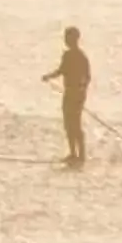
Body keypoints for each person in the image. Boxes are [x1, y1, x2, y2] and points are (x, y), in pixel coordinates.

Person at [41, 26, 92, 167]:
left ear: (74, 39)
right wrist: (48, 77)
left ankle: (80, 155)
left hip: (76, 95)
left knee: (75, 124)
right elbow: (61, 71)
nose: (65, 40)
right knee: (69, 124)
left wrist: (81, 90)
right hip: (70, 93)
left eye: (67, 38)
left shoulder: (81, 57)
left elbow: (87, 77)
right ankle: (73, 154)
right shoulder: (68, 56)